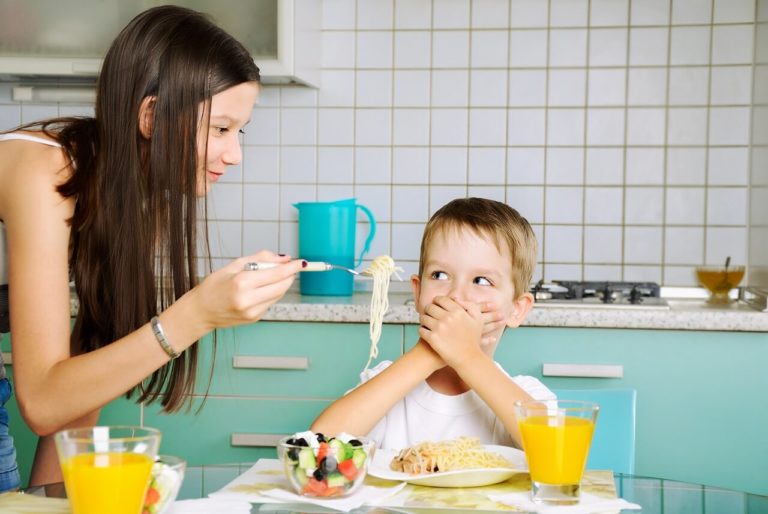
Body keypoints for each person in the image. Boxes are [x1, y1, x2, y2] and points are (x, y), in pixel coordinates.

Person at [0, 5, 306, 492]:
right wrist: (197, 314)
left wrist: (58, 502)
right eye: (220, 128)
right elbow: (41, 401)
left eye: (239, 131)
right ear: (151, 115)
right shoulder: (47, 171)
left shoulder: (131, 195)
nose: (235, 154)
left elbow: (78, 378)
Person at [311, 197, 555, 450]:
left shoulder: (528, 396)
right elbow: (317, 450)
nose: (456, 295)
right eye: (439, 275)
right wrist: (428, 354)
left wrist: (467, 356)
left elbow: (555, 454)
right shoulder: (385, 386)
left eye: (482, 280)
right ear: (418, 294)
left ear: (517, 309)